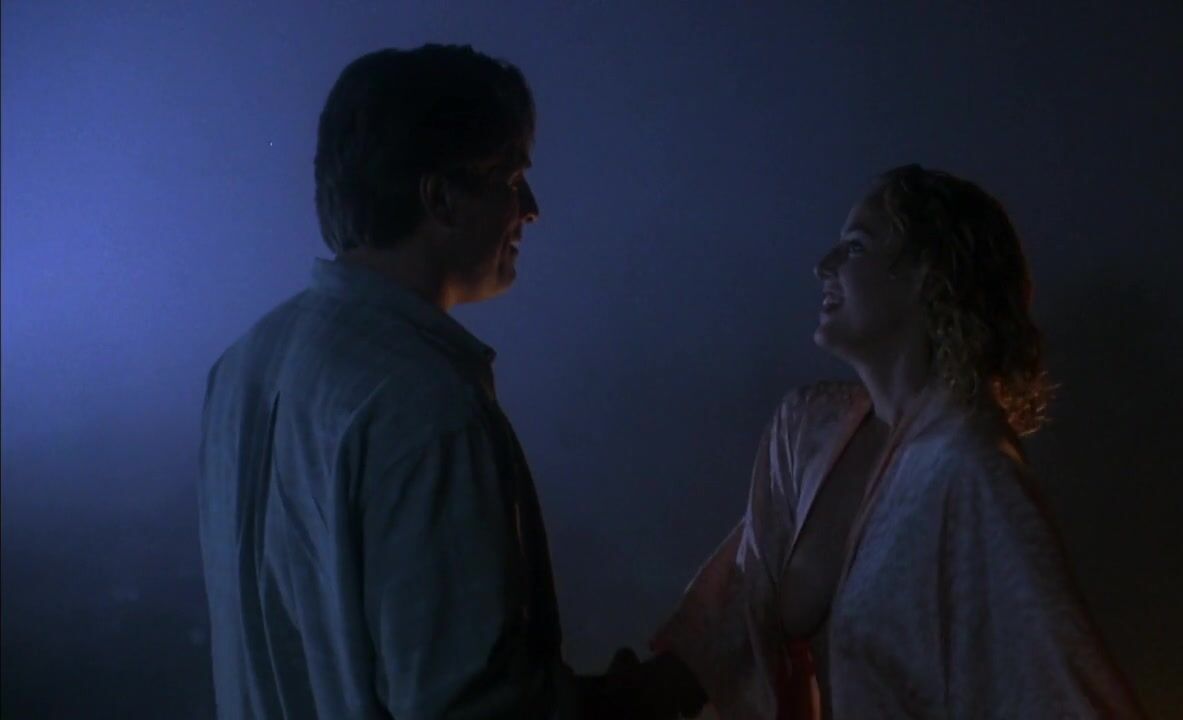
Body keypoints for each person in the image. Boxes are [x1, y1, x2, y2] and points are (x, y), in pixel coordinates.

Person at [198, 44, 703, 719]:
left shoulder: (241, 367)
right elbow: (469, 707)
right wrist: (645, 698)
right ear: (439, 197)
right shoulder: (424, 403)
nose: (530, 208)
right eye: (511, 177)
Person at [652, 165, 1146, 718]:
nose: (823, 265)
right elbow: (731, 614)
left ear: (928, 276)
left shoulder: (968, 467)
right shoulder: (811, 431)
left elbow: (1059, 686)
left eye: (855, 247)